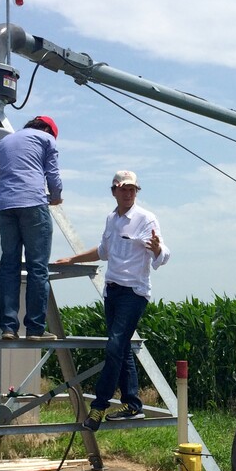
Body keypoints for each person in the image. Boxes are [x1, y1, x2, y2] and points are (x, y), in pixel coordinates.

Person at [55, 170, 170, 430]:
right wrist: (72, 259)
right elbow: (104, 252)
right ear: (114, 191)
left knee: (115, 346)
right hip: (112, 290)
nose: (129, 194)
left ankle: (98, 406)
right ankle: (131, 404)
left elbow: (163, 252)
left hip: (134, 291)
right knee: (123, 348)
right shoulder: (112, 219)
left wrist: (158, 249)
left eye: (133, 190)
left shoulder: (146, 218)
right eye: (124, 189)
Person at [0, 116, 63, 341]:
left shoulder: (4, 142)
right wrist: (56, 197)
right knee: (37, 268)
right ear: (49, 130)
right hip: (33, 204)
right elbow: (53, 175)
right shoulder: (47, 139)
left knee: (9, 265)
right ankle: (35, 329)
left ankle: (8, 328)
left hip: (6, 206)